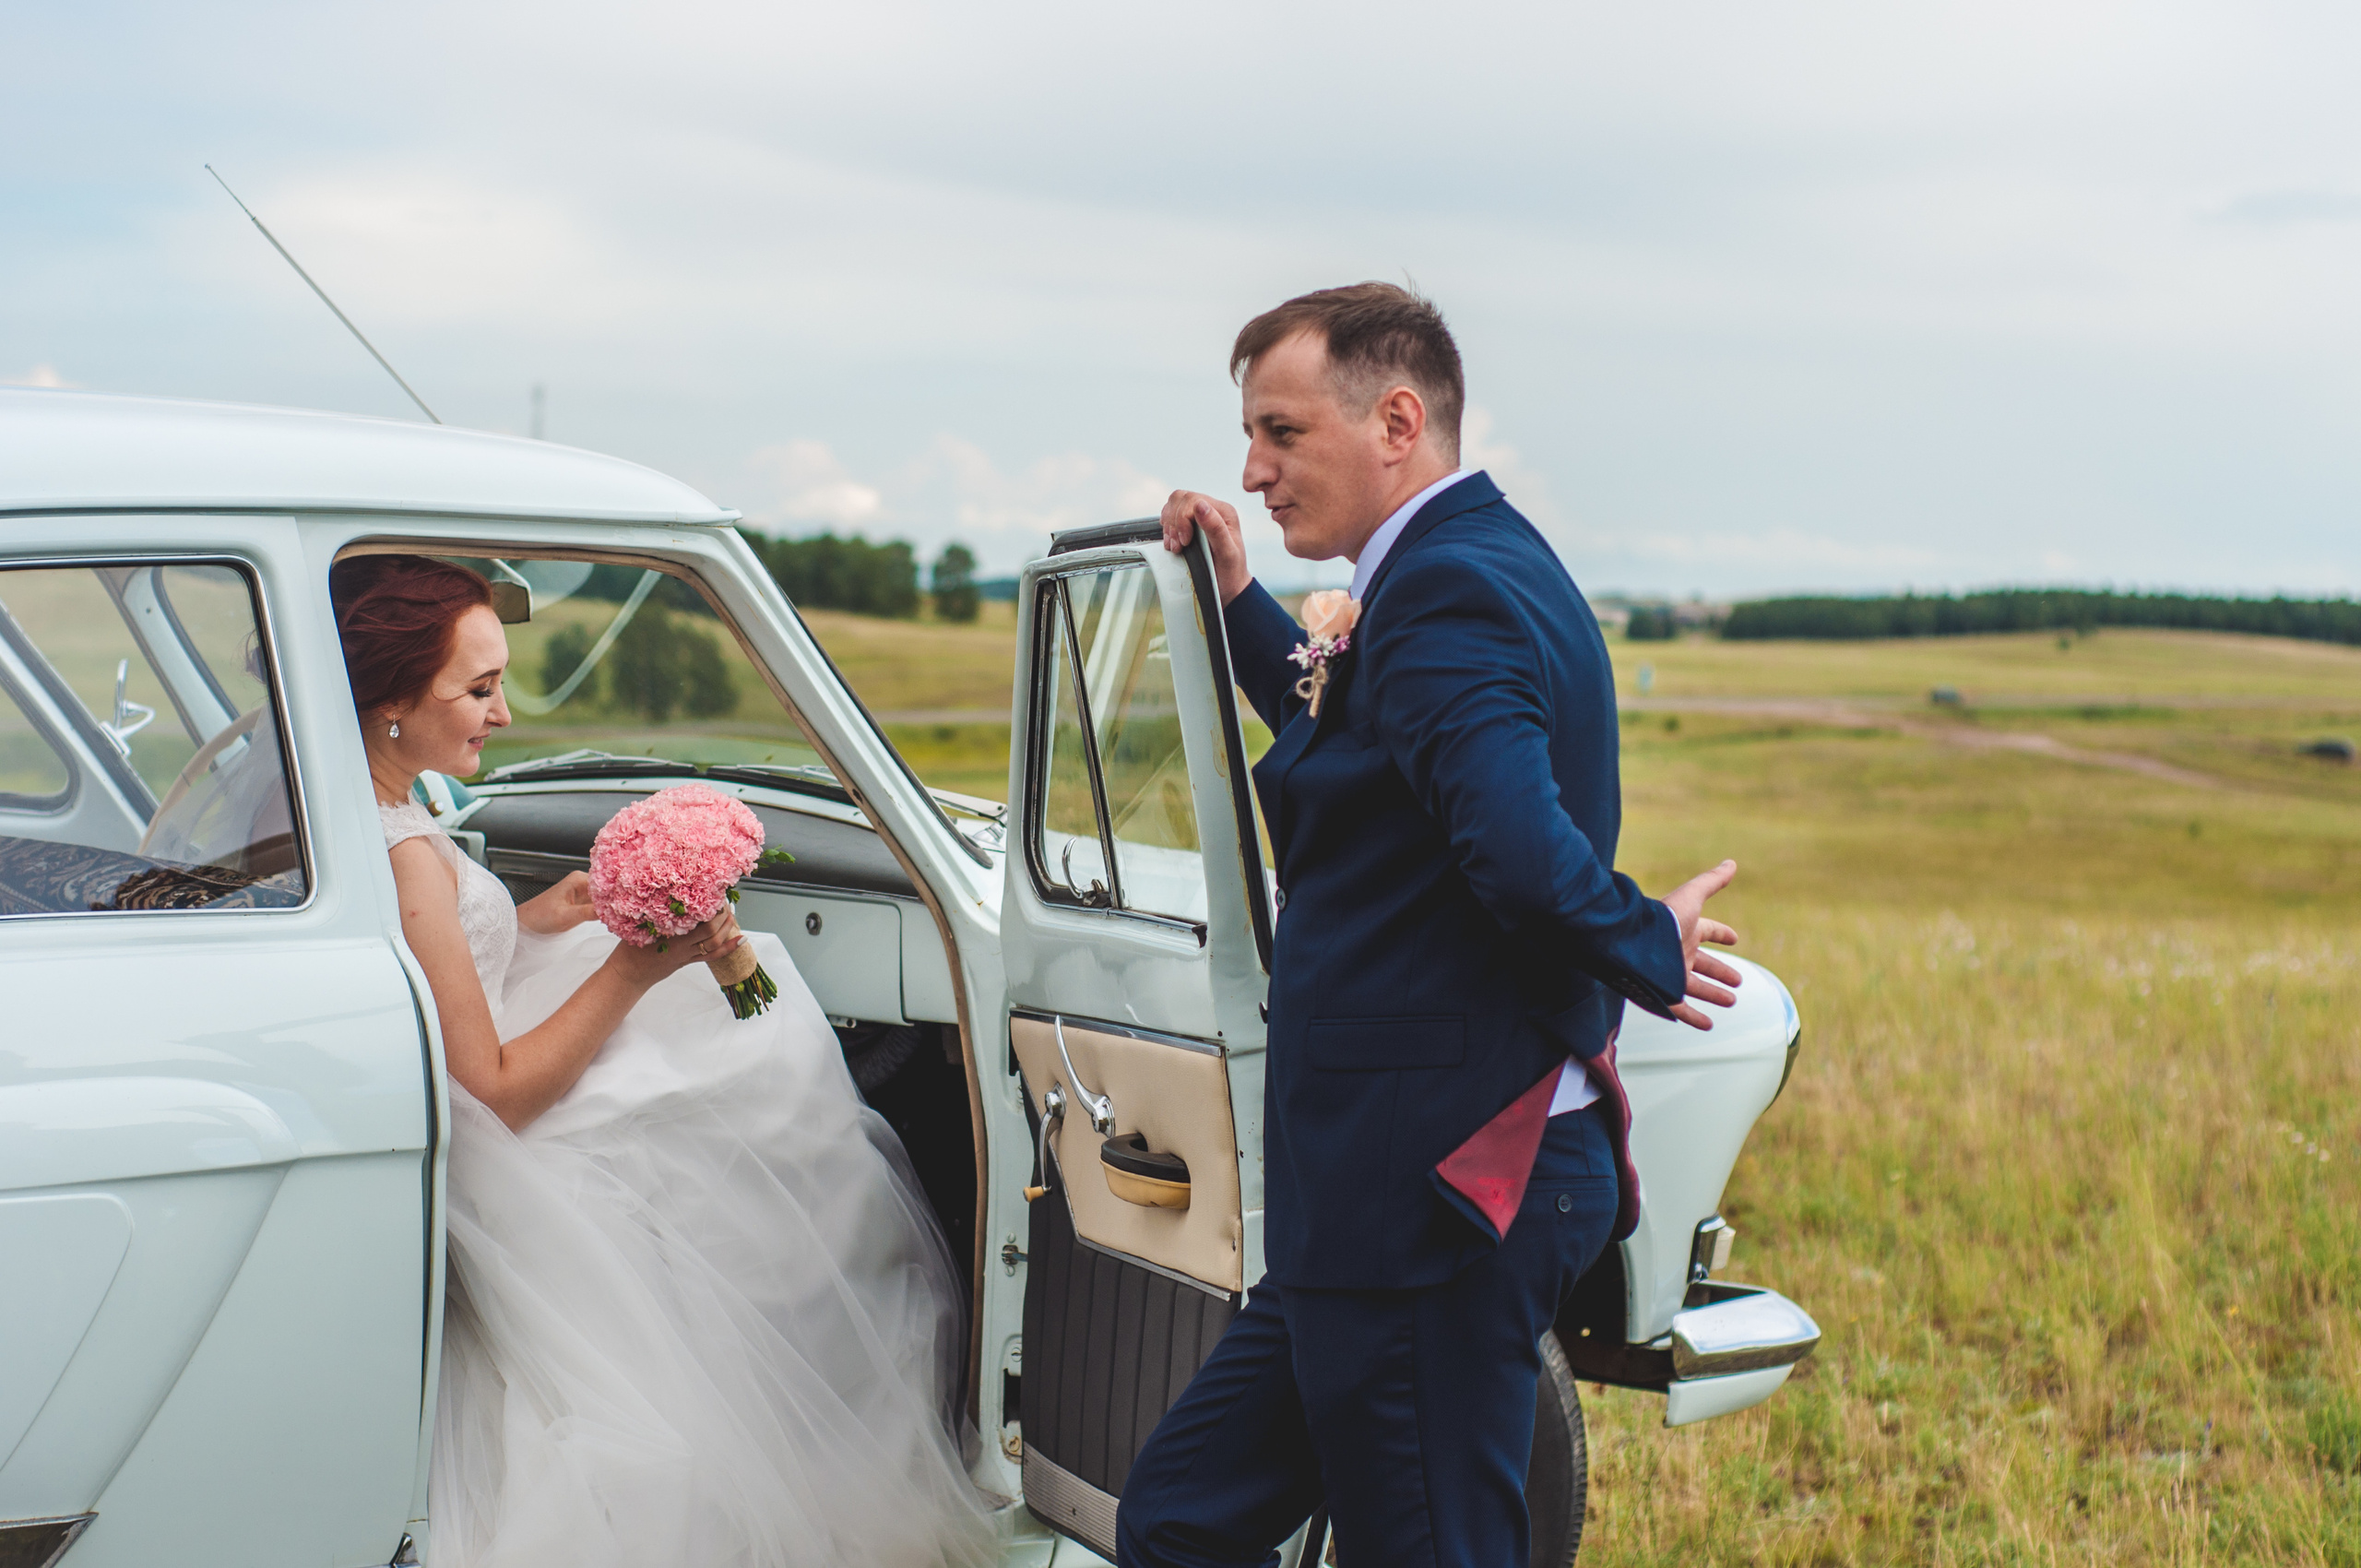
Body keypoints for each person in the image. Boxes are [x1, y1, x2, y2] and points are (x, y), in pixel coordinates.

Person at [1121, 284, 1743, 1567]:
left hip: (1438, 1191)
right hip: (1376, 1196)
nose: (1256, 467)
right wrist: (1240, 600)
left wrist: (1645, 946)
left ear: (1396, 419)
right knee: (1180, 1520)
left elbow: (1515, 853)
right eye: (1252, 434)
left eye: (1282, 432)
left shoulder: (1450, 590)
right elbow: (1366, 757)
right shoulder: (1432, 580)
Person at [330, 554, 996, 1568]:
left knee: (732, 1040)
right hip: (491, 1153)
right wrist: (638, 968)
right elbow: (495, 1091)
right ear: (389, 701)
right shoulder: (406, 851)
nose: (503, 713)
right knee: (761, 1102)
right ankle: (825, 1399)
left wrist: (540, 912)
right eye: (478, 688)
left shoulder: (374, 812)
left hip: (464, 1099)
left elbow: (440, 964)